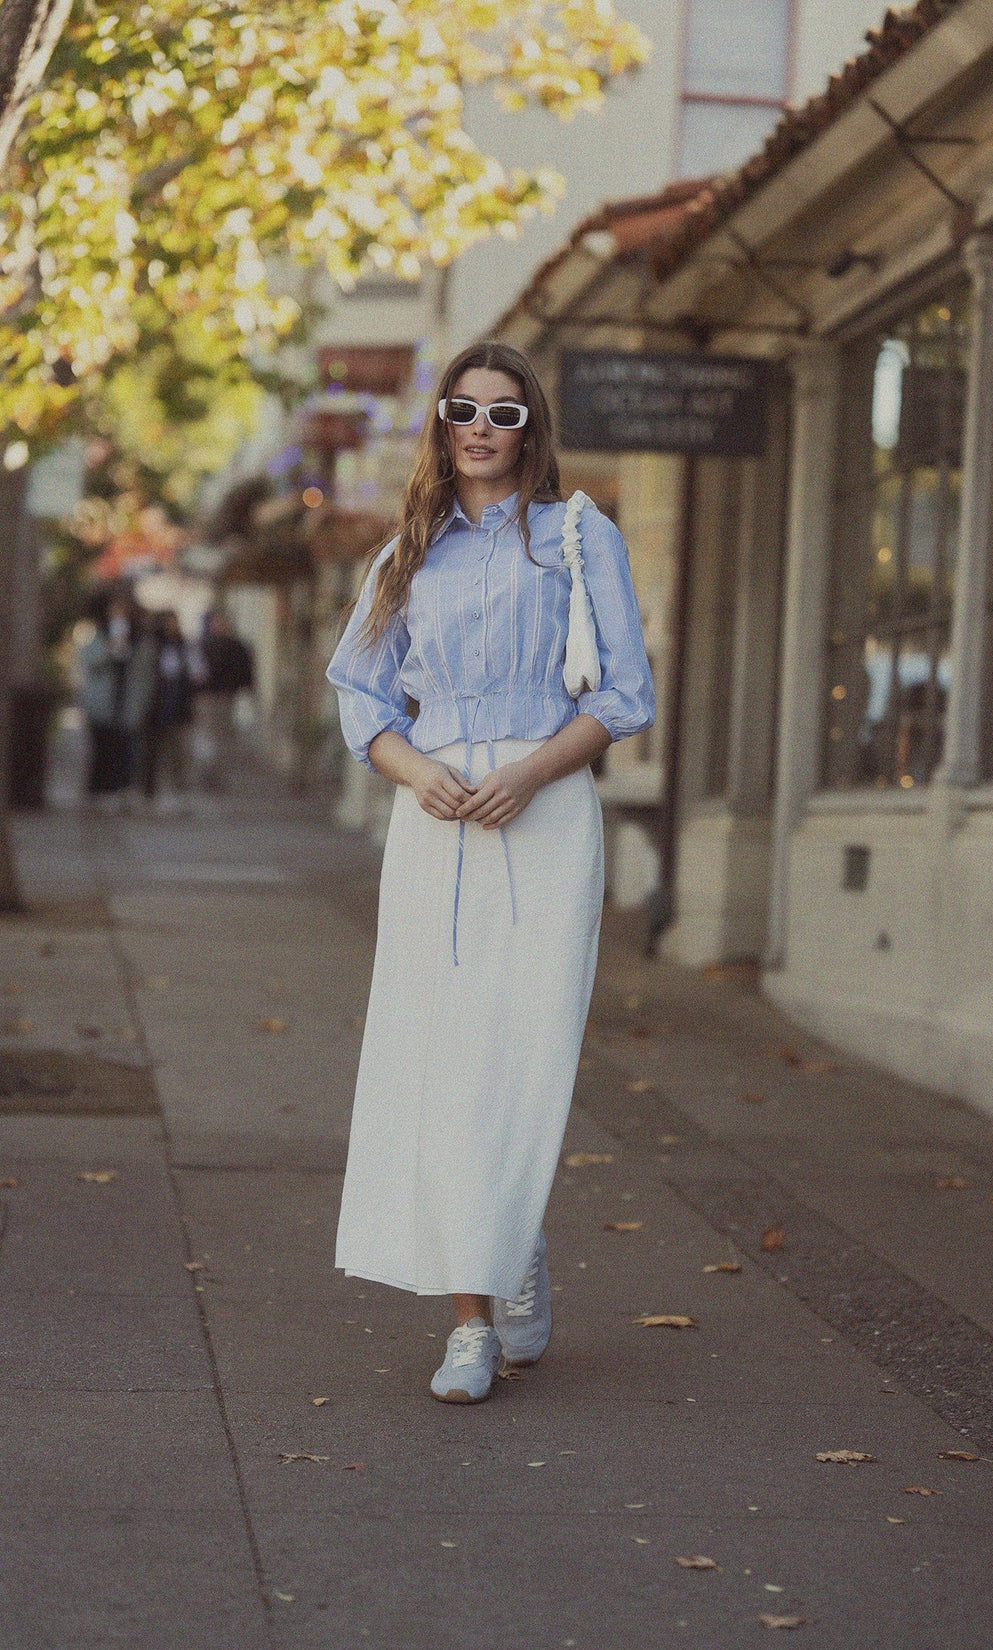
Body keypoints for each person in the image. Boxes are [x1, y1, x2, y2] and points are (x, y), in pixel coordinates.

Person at [327, 341, 656, 1403]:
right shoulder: (406, 553)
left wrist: (528, 774)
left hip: (545, 813)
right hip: (435, 825)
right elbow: (361, 698)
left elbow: (623, 695)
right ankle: (474, 1314)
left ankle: (505, 1239)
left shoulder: (574, 534)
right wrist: (417, 773)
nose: (479, 427)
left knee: (520, 1053)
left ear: (530, 429)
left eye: (502, 413)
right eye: (461, 408)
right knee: (438, 1057)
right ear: (438, 422)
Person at [77, 590, 155, 808]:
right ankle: (99, 791)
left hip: (128, 704)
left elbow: (146, 674)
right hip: (102, 705)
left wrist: (143, 703)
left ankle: (122, 790)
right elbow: (88, 662)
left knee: (126, 751)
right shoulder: (99, 635)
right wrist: (109, 650)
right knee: (102, 749)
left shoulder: (140, 640)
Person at [192, 610, 255, 791]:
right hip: (207, 697)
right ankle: (207, 771)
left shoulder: (234, 646)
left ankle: (215, 773)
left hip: (225, 697)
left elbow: (244, 671)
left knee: (221, 736)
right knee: (207, 735)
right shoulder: (203, 645)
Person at [141, 609, 196, 810]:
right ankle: (149, 792)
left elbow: (192, 675)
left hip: (177, 707)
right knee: (152, 752)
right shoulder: (153, 646)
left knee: (177, 753)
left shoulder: (184, 647)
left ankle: (178, 792)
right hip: (156, 706)